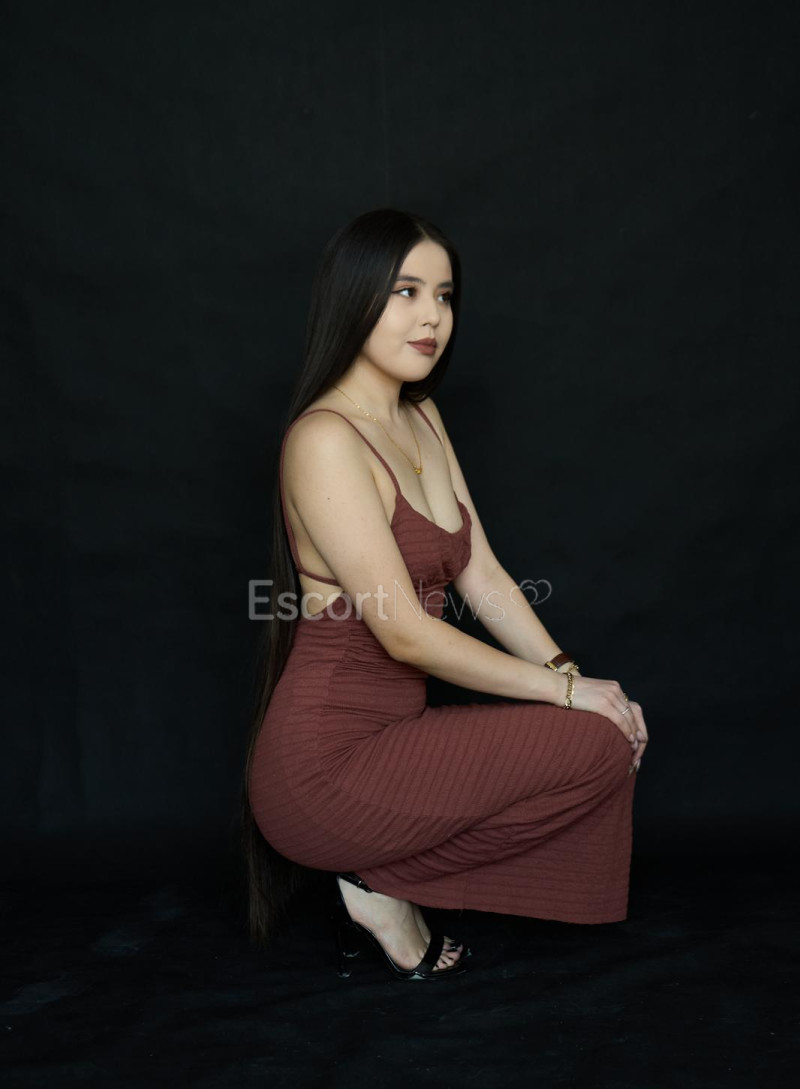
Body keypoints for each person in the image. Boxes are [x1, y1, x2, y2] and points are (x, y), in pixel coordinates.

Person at [241, 207, 648, 981]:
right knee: (592, 728)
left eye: (445, 295)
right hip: (324, 767)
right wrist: (567, 696)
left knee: (605, 741)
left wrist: (572, 676)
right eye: (406, 291)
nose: (432, 316)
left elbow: (483, 576)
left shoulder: (421, 417)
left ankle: (374, 877)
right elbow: (405, 634)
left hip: (399, 744)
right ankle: (373, 884)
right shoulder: (325, 439)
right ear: (354, 298)